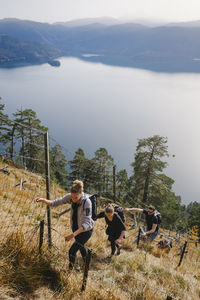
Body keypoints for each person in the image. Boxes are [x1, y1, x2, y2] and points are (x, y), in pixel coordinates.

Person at [34, 180, 93, 270]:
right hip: (75, 228)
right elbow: (56, 202)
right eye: (72, 197)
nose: (73, 199)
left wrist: (72, 235)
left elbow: (87, 223)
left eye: (76, 197)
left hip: (85, 231)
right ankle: (86, 265)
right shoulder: (70, 197)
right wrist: (43, 200)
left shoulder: (87, 202)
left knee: (71, 251)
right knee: (81, 247)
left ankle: (70, 270)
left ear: (81, 193)